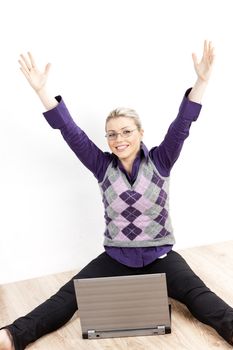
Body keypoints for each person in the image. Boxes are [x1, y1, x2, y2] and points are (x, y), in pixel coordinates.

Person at [0, 41, 232, 350]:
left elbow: (182, 125)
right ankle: (12, 336)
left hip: (159, 257)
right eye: (111, 133)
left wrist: (201, 81)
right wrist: (42, 92)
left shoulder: (161, 160)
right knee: (67, 297)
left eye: (126, 131)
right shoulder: (101, 166)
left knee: (201, 298)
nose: (118, 138)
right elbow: (71, 131)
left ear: (140, 133)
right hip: (116, 258)